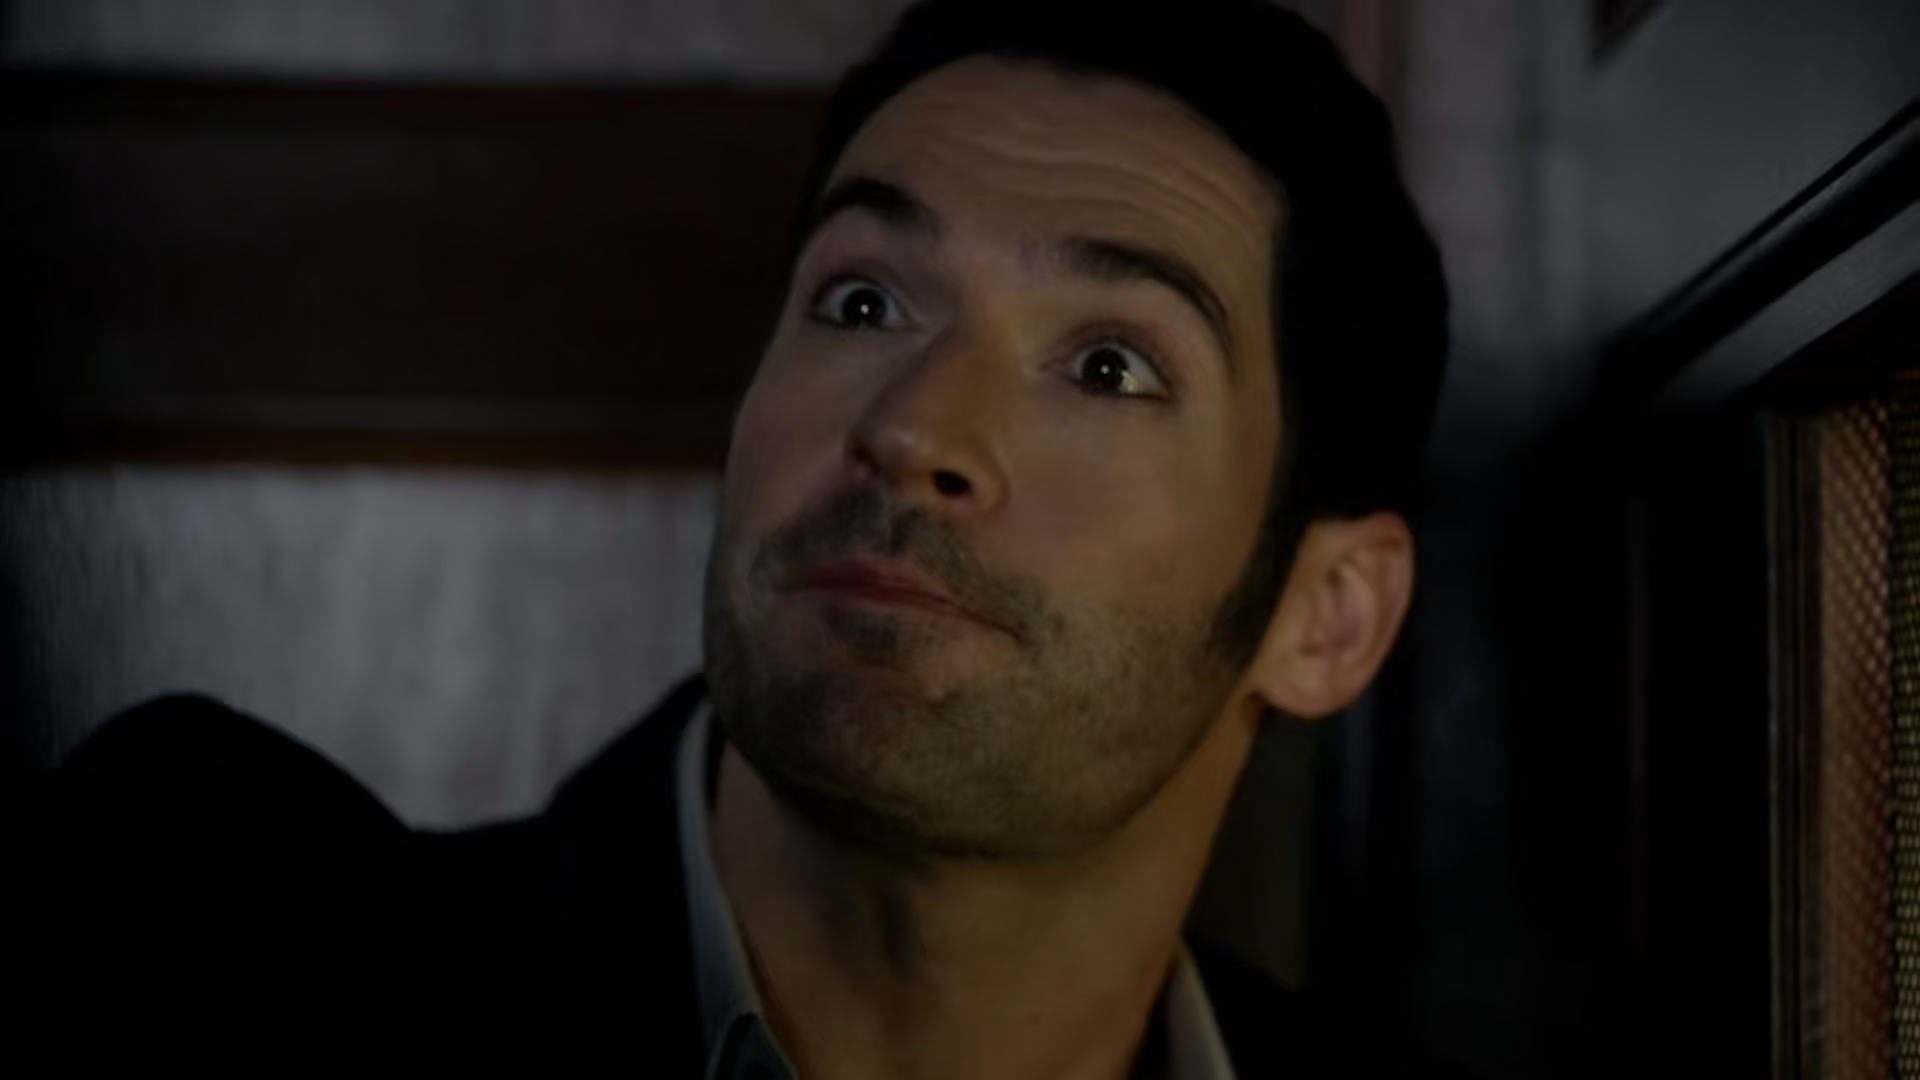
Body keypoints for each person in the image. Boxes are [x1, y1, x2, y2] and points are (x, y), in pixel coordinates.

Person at [15, 0, 1452, 1076]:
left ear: (1325, 615)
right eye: (862, 303)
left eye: (1109, 367)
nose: (913, 429)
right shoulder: (200, 952)